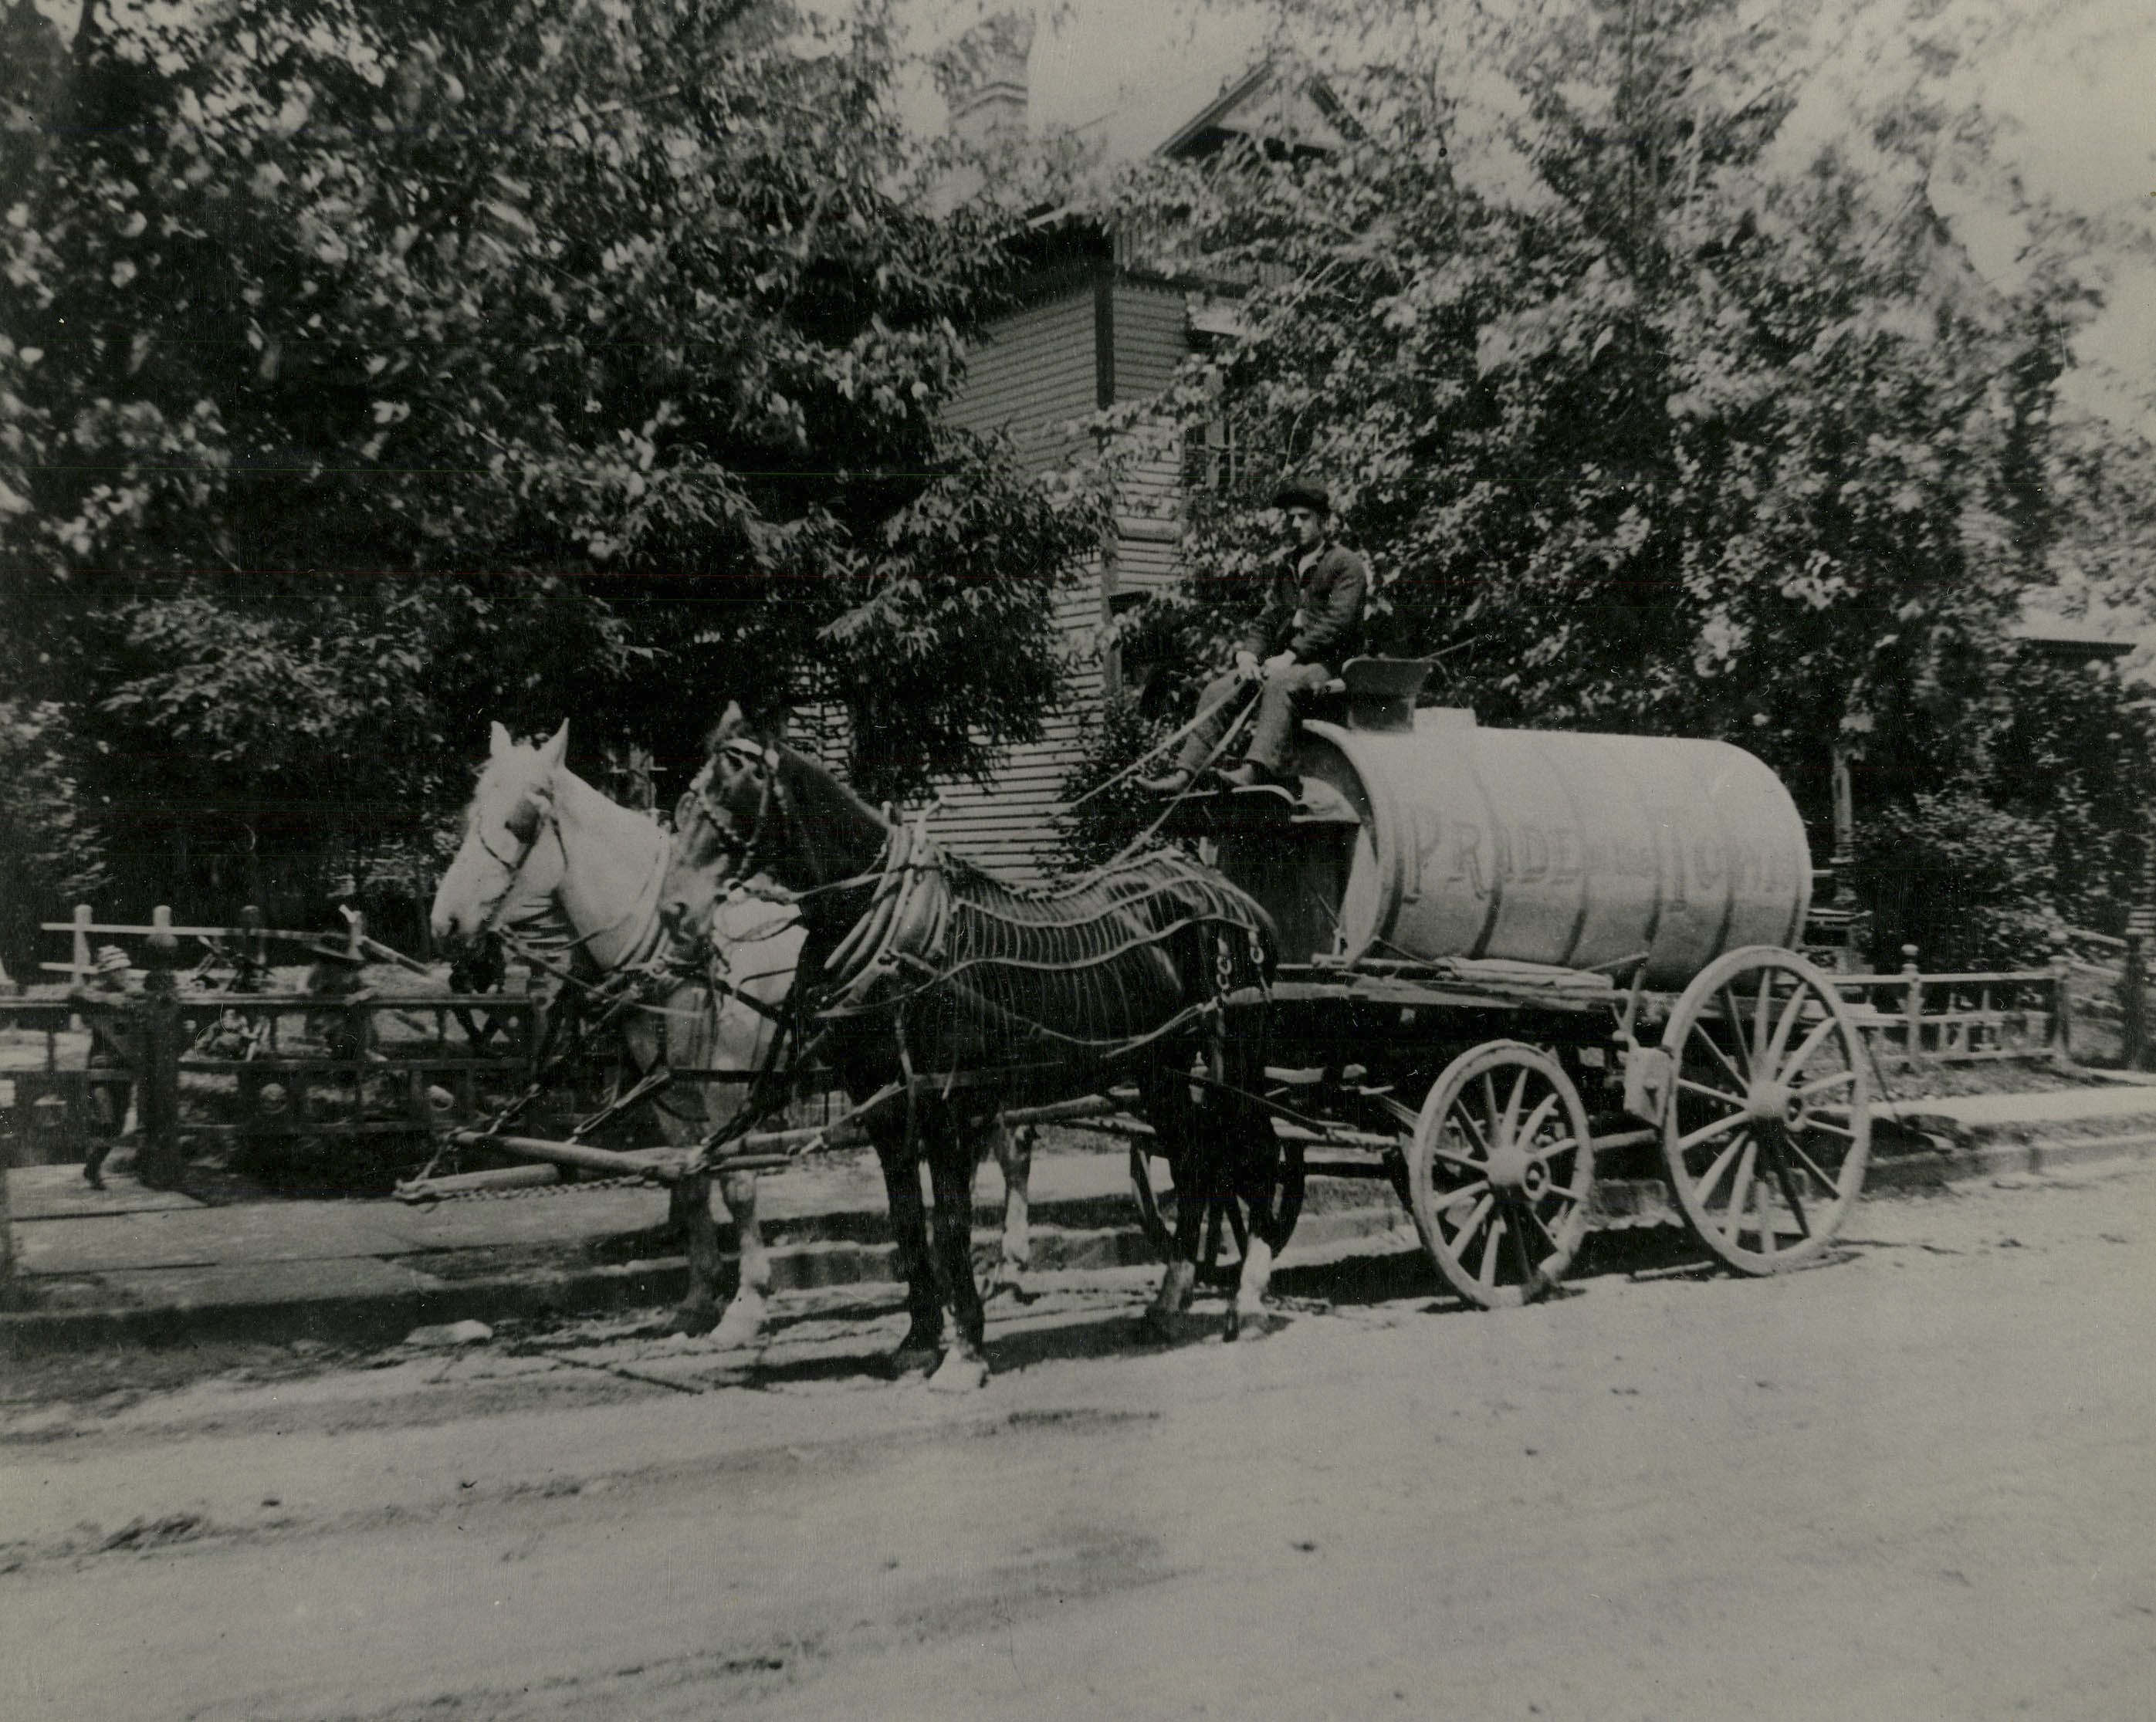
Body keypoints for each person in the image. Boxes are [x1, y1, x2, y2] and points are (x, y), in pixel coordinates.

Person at [1138, 477, 1368, 794]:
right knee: (1218, 689)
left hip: (1331, 667)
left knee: (1280, 682)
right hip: (1289, 665)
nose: (1296, 524)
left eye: (1304, 517)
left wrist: (1290, 656)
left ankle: (1256, 771)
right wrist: (1247, 656)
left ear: (1323, 521)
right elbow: (1267, 620)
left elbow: (1337, 624)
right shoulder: (1287, 568)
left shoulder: (1345, 565)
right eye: (1290, 518)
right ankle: (1184, 775)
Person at [80, 945, 144, 1189]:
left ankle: (93, 1166)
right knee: (104, 1117)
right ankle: (93, 1165)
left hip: (124, 1067)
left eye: (124, 970)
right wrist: (107, 999)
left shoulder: (130, 992)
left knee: (118, 1123)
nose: (122, 974)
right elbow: (76, 994)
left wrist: (132, 999)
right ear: (105, 973)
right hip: (101, 1065)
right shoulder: (95, 992)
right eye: (116, 971)